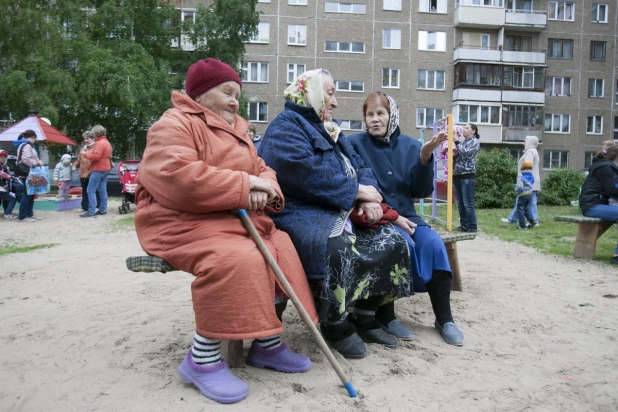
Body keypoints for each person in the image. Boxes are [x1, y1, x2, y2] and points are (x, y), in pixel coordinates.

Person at [134, 58, 317, 404]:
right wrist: (245, 184)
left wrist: (266, 186)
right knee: (238, 257)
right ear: (201, 94)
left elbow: (263, 168)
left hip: (227, 217)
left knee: (282, 245)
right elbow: (176, 178)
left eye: (237, 94)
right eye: (227, 92)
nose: (235, 101)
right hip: (179, 220)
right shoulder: (174, 124)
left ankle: (267, 344)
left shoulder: (238, 130)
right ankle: (200, 360)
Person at [259, 69, 413, 359]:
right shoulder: (286, 126)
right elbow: (301, 172)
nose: (335, 102)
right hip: (300, 212)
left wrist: (367, 197)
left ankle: (366, 315)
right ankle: (335, 322)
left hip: (339, 206)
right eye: (329, 93)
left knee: (396, 241)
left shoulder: (331, 129)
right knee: (337, 243)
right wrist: (356, 192)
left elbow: (361, 165)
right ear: (310, 92)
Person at [349, 92, 464, 346]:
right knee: (403, 247)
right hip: (377, 219)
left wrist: (424, 159)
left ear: (392, 116)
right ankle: (387, 315)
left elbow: (421, 192)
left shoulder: (412, 145)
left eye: (381, 114)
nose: (375, 120)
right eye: (370, 115)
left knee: (433, 244)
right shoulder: (354, 144)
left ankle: (445, 319)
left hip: (409, 217)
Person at [579, 145, 618, 265]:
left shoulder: (606, 166)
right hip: (592, 206)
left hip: (596, 204)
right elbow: (611, 190)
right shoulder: (605, 167)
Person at [502, 136, 541, 226]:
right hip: (533, 180)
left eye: (525, 141)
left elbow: (527, 167)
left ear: (530, 142)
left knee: (525, 201)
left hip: (528, 181)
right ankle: (512, 219)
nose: (524, 143)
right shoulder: (534, 151)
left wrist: (523, 182)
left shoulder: (530, 152)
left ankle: (534, 220)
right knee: (525, 201)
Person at [453, 123, 481, 233]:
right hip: (457, 175)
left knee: (467, 203)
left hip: (467, 176)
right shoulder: (463, 142)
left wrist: (456, 141)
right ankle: (464, 225)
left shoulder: (475, 142)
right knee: (460, 203)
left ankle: (472, 227)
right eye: (464, 128)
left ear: (473, 131)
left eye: (467, 128)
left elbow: (466, 154)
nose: (464, 130)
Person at [81, 125, 112, 217]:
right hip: (106, 168)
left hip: (99, 169)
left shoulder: (100, 143)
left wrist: (85, 154)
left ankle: (91, 211)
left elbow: (96, 157)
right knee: (102, 189)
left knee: (90, 189)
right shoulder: (107, 142)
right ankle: (102, 209)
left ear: (96, 133)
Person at [13, 130, 45, 222]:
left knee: (30, 194)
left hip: (26, 173)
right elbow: (26, 159)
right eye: (35, 139)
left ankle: (29, 214)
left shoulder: (24, 145)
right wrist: (37, 163)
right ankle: (23, 216)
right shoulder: (27, 145)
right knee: (27, 195)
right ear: (33, 137)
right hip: (26, 173)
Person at [72, 131, 100, 212]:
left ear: (92, 138)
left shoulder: (95, 148)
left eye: (87, 139)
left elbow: (95, 159)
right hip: (82, 173)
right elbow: (78, 160)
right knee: (84, 190)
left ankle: (96, 206)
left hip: (92, 172)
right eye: (85, 139)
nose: (86, 140)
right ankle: (85, 206)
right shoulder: (82, 149)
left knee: (93, 190)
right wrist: (74, 165)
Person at [514, 161, 536, 229]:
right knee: (527, 209)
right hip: (530, 194)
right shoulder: (532, 177)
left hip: (522, 195)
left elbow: (520, 187)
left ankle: (522, 226)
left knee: (520, 210)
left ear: (522, 169)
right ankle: (531, 221)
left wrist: (515, 190)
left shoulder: (521, 177)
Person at [0, 150, 17, 218]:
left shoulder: (5, 167)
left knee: (6, 199)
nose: (2, 158)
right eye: (1, 156)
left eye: (4, 157)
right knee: (12, 199)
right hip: (1, 188)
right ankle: (7, 213)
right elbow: (2, 175)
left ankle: (6, 212)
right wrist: (10, 177)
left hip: (2, 188)